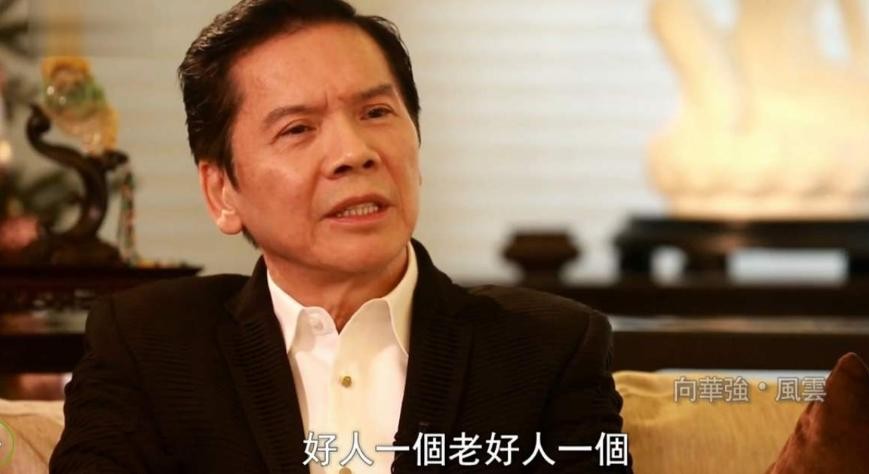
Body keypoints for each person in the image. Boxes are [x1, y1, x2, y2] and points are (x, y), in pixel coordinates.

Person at [49, 0, 630, 472]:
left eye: (376, 113)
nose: (354, 152)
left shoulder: (549, 349)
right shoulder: (147, 345)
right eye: (298, 128)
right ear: (222, 191)